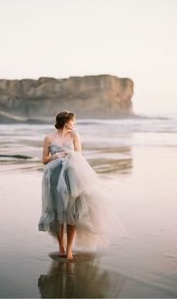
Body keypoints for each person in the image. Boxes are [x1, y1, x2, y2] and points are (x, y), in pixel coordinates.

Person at [38, 110, 127, 260]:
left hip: (71, 177)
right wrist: (56, 155)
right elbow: (44, 160)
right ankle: (61, 247)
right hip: (53, 178)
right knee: (57, 213)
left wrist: (69, 155)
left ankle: (69, 249)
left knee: (72, 212)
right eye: (73, 121)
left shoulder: (74, 135)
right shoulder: (48, 138)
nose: (74, 123)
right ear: (66, 122)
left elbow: (79, 155)